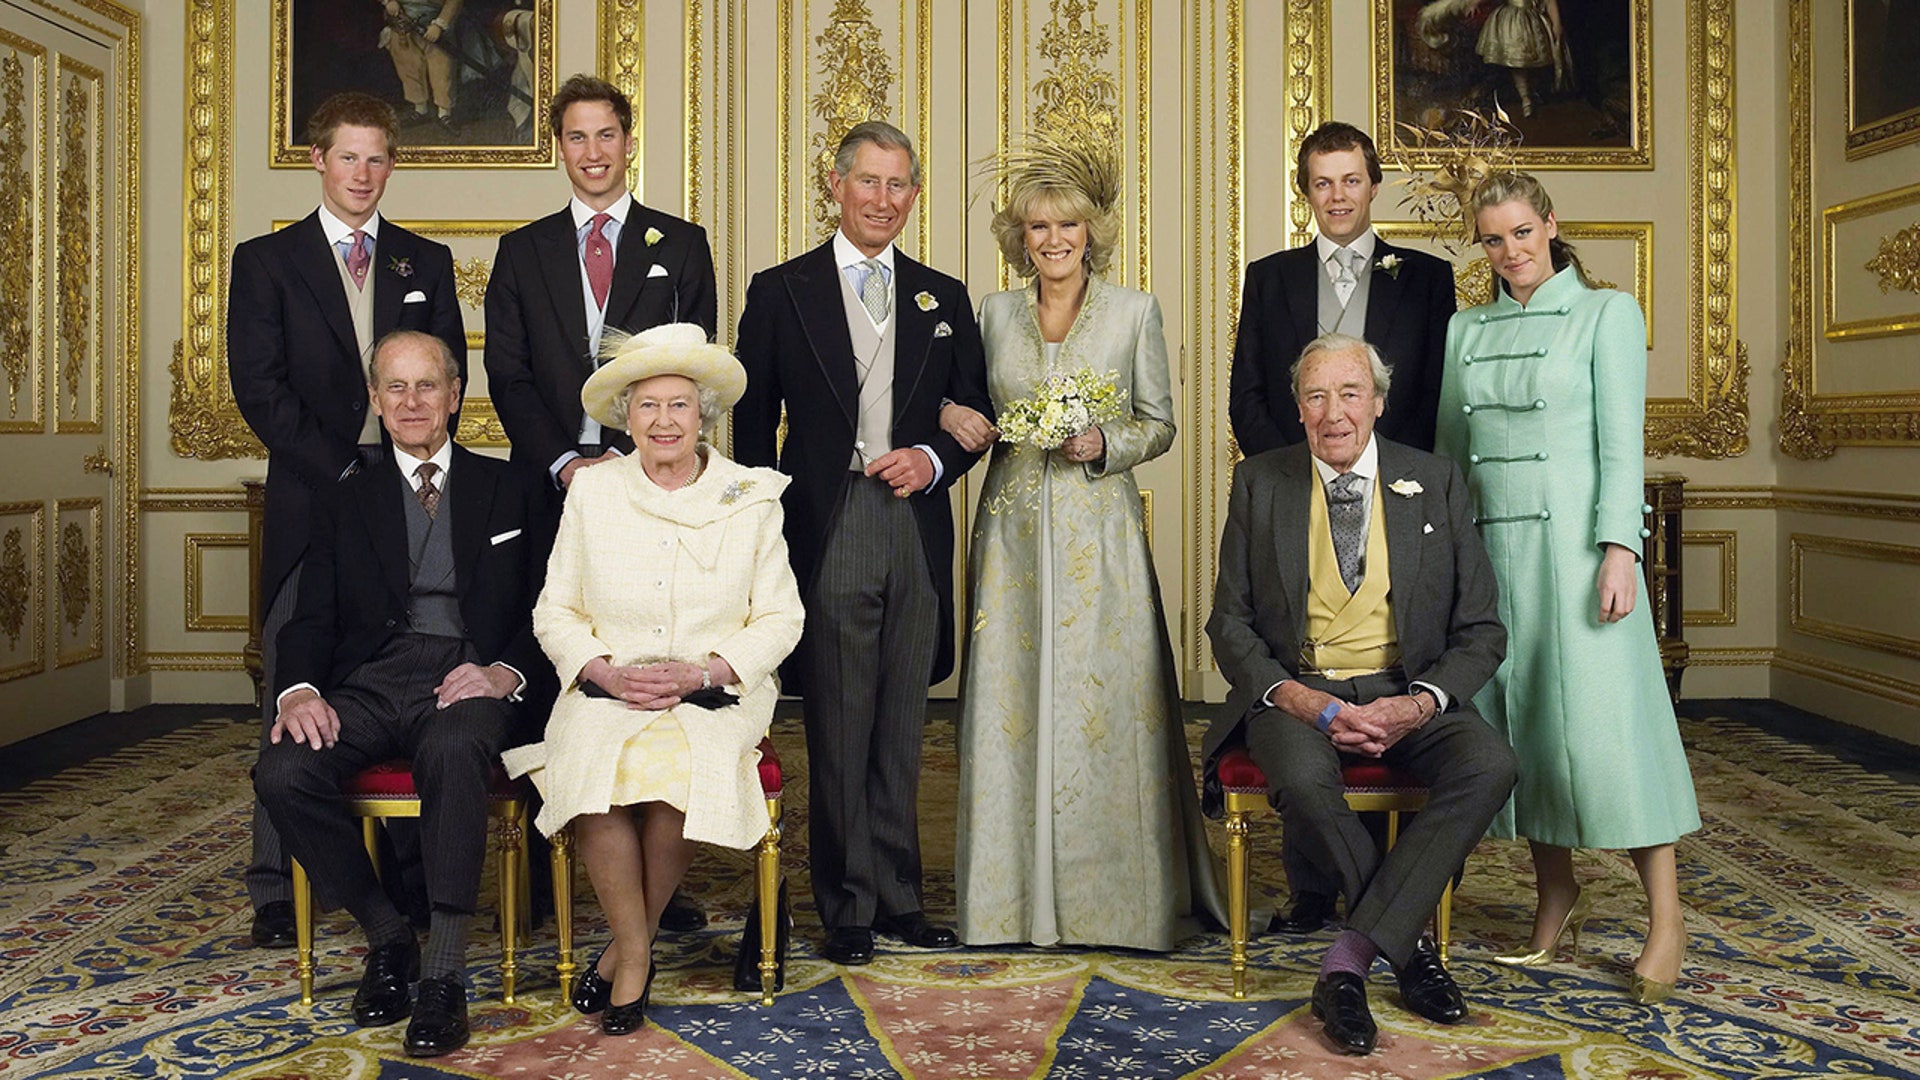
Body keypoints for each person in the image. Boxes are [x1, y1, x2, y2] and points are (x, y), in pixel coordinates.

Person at [937, 138, 1226, 949]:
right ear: (1018, 237)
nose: (1054, 240)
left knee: (1110, 701)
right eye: (1037, 227)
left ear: (1092, 230)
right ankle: (1006, 906)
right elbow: (954, 403)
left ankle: (1118, 906)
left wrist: (1108, 444)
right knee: (1010, 704)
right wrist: (950, 418)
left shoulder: (1135, 311)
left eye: (1067, 225)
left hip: (1101, 535)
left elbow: (1160, 423)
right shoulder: (991, 314)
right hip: (1013, 535)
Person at [1203, 333, 1515, 1056]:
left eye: (1349, 394)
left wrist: (1417, 705)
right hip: (1300, 697)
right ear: (1298, 407)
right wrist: (1299, 699)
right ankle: (1409, 953)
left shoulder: (1432, 479)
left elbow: (1481, 628)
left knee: (1490, 764)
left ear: (1378, 401)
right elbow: (1230, 622)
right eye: (1316, 396)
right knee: (1305, 782)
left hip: (1408, 691)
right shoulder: (1260, 481)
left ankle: (1345, 962)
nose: (1333, 413)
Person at [733, 120, 994, 966]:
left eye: (899, 186)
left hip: (913, 524)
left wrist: (932, 456)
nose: (883, 200)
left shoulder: (942, 296)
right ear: (836, 186)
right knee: (841, 724)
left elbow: (972, 414)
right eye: (869, 182)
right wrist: (761, 532)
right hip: (829, 519)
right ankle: (846, 904)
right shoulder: (780, 291)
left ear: (914, 197)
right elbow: (747, 426)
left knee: (903, 721)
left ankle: (899, 897)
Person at [1436, 170, 1700, 1005]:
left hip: (1583, 559)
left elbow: (1622, 444)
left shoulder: (1607, 313)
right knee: (1520, 730)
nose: (1509, 250)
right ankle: (1556, 893)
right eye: (1492, 238)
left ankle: (1668, 921)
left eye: (1521, 231)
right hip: (1491, 561)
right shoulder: (1463, 330)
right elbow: (1448, 455)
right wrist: (1444, 563)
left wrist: (1621, 549)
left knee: (1610, 736)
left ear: (1550, 225)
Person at [253, 330, 552, 1058]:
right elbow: (310, 616)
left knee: (454, 749)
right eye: (396, 387)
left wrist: (504, 673)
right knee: (283, 772)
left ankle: (444, 973)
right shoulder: (344, 495)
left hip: (469, 675)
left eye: (427, 386)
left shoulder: (512, 486)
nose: (412, 401)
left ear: (455, 396)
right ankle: (388, 936)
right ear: (378, 403)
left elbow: (551, 606)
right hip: (370, 680)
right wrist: (296, 693)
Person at [503, 323, 804, 1036]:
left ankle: (620, 960)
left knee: (674, 772)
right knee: (600, 775)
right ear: (625, 417)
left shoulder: (753, 495)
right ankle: (635, 951)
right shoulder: (593, 494)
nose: (664, 421)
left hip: (713, 686)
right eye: (648, 406)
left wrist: (705, 669)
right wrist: (602, 670)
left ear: (703, 414)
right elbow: (557, 610)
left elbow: (780, 619)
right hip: (612, 682)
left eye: (678, 406)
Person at [227, 91, 465, 950]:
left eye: (377, 159)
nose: (363, 173)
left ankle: (404, 875)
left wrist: (402, 470)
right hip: (314, 498)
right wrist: (342, 474)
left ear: (391, 166)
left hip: (408, 491)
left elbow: (444, 373)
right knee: (295, 686)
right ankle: (274, 884)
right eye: (347, 157)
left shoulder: (422, 261)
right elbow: (259, 386)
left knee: (398, 670)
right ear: (318, 163)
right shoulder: (267, 261)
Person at [484, 72, 718, 932]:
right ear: (560, 148)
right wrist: (561, 464)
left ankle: (663, 874)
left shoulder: (681, 244)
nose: (592, 152)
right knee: (561, 659)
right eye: (576, 138)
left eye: (606, 135)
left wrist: (623, 467)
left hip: (652, 491)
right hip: (551, 489)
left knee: (652, 653)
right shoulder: (523, 249)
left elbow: (690, 370)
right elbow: (505, 372)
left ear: (629, 141)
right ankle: (560, 868)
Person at [1226, 119, 1458, 936]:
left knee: (1383, 673)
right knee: (1301, 674)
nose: (1336, 197)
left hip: (1389, 488)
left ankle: (1380, 883)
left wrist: (1378, 476)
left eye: (1350, 181)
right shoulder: (1272, 276)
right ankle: (1316, 893)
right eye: (1320, 183)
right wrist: (1300, 482)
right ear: (1305, 191)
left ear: (1372, 185)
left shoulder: (1427, 279)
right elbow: (1247, 393)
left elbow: (1428, 399)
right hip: (1298, 493)